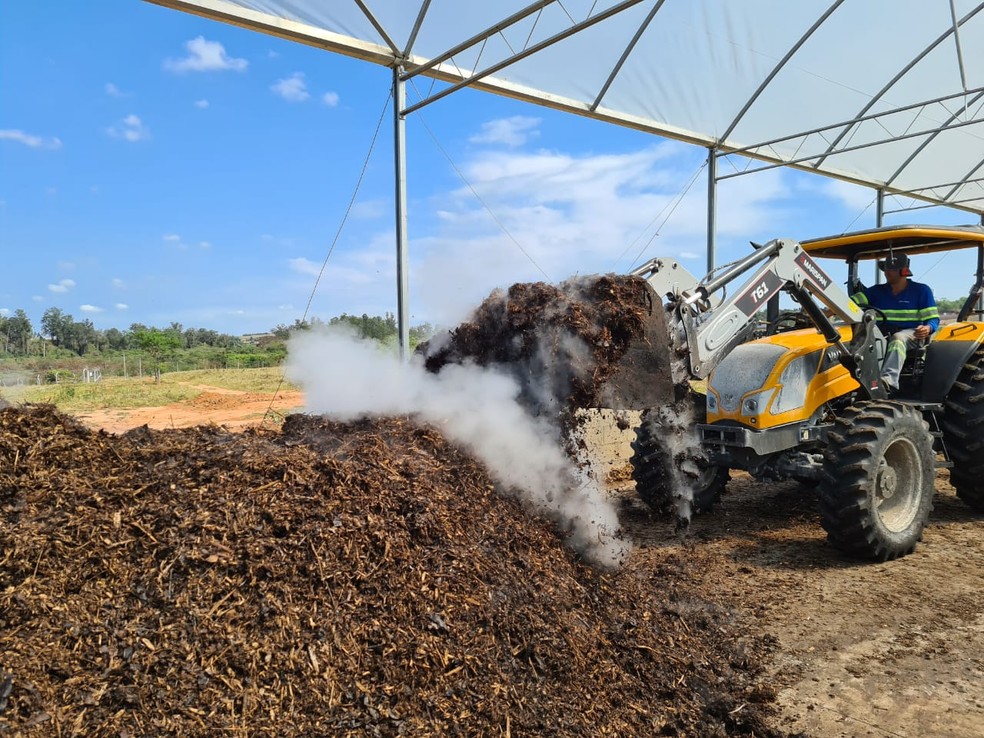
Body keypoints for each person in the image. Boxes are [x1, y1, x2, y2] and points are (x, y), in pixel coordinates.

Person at [851, 254, 939, 392]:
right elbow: (850, 303)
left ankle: (887, 381)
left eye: (891, 269)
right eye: (885, 269)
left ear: (903, 271)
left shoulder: (921, 291)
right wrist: (829, 311)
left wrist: (927, 328)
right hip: (881, 333)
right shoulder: (876, 291)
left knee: (898, 339)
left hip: (911, 334)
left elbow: (933, 319)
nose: (886, 273)